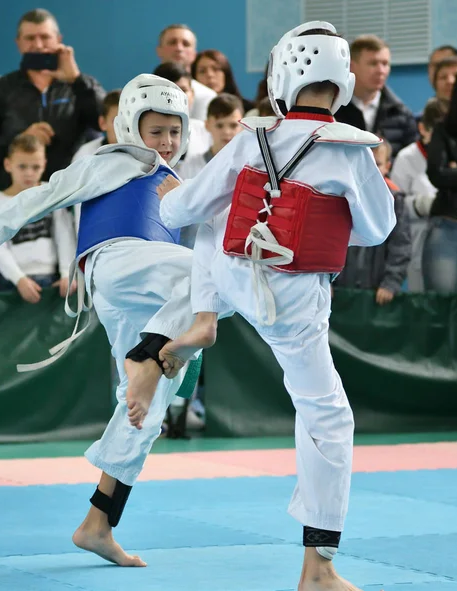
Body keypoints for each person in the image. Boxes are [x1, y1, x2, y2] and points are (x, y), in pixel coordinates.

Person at [155, 22, 396, 591]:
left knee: (216, 213)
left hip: (232, 276)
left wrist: (171, 199)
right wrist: (322, 215)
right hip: (292, 297)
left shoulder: (248, 138)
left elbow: (181, 211)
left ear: (282, 76)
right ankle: (319, 567)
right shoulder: (350, 149)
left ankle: (203, 318)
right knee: (327, 417)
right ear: (342, 81)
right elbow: (377, 229)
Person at [0, 74, 224, 567]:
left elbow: (209, 235)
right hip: (117, 261)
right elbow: (43, 195)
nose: (166, 141)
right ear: (129, 126)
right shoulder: (111, 162)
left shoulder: (179, 182)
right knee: (213, 278)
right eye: (156, 131)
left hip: (146, 295)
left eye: (174, 132)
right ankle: (149, 357)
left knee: (144, 415)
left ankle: (97, 523)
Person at [0, 8, 105, 221]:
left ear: (58, 40)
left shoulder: (79, 86)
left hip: (68, 201)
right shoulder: (0, 91)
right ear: (18, 43)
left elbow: (106, 122)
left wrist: (75, 79)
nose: (38, 45)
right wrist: (20, 140)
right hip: (15, 203)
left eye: (45, 37)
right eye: (30, 38)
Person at [0, 133, 76, 302]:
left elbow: (64, 234)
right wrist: (18, 278)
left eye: (35, 167)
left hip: (52, 279)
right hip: (12, 282)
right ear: (8, 165)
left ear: (44, 165)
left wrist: (67, 272)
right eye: (22, 166)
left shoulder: (51, 194)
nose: (29, 173)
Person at [336, 140, 411, 303]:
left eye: (377, 164)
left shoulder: (396, 201)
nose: (372, 170)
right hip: (340, 288)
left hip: (376, 290)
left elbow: (400, 246)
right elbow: (330, 240)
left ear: (387, 167)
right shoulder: (340, 196)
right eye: (368, 164)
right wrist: (326, 279)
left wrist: (391, 283)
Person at [424, 60, 457, 293]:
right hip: (447, 227)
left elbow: (449, 174)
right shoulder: (444, 130)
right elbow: (437, 174)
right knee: (440, 306)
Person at [391, 98, 445, 291]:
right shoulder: (407, 158)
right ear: (422, 129)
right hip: (418, 244)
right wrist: (419, 205)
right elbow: (393, 208)